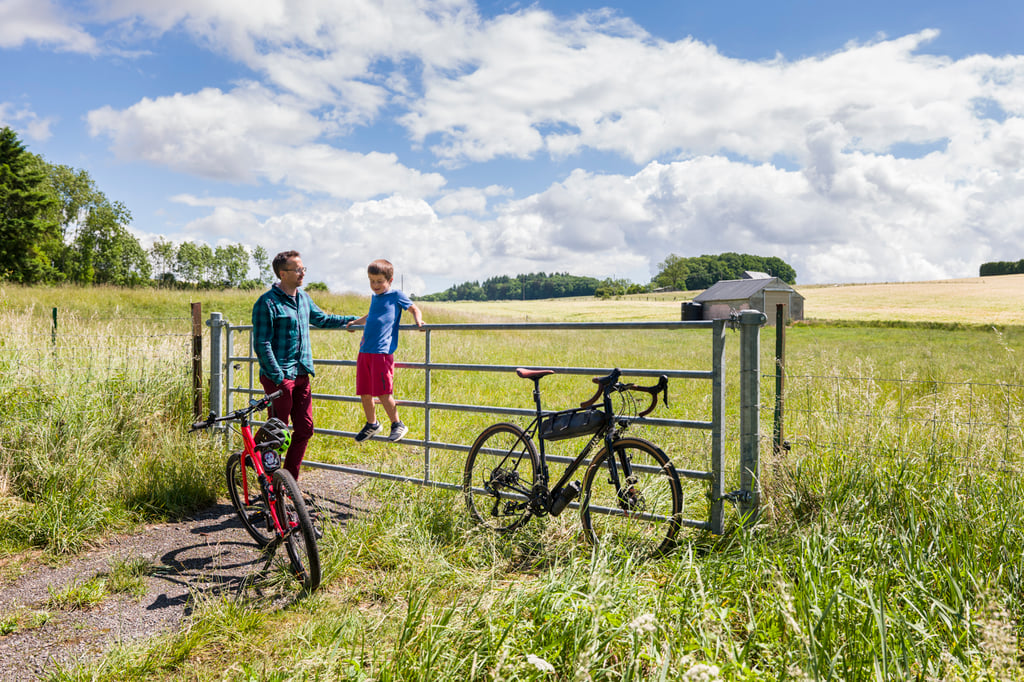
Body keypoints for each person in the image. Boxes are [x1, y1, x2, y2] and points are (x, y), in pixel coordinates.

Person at [252, 250, 355, 480]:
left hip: (301, 374)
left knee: (305, 428)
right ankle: (269, 480)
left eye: (303, 268)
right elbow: (261, 343)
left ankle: (288, 481)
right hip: (279, 377)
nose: (302, 273)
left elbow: (323, 319)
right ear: (282, 273)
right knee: (279, 431)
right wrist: (279, 378)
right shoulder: (266, 303)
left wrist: (354, 320)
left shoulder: (304, 298)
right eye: (297, 269)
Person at [347, 258, 424, 442]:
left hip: (382, 352)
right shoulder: (375, 298)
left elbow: (414, 308)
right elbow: (372, 315)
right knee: (364, 391)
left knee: (383, 391)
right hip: (365, 349)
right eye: (371, 281)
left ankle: (397, 423)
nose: (375, 285)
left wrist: (418, 321)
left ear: (390, 281)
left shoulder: (396, 295)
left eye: (379, 281)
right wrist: (356, 322)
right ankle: (372, 423)